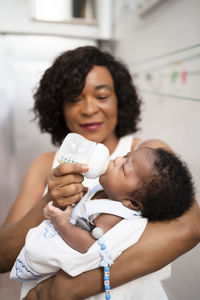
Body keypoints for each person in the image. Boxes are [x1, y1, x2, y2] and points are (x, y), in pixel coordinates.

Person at [0, 46, 200, 300]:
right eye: (74, 99)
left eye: (102, 96)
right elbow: (2, 257)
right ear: (58, 108)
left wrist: (69, 287)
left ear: (120, 99)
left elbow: (191, 227)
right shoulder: (46, 165)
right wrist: (48, 200)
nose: (89, 109)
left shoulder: (148, 153)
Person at [10, 145, 195, 299]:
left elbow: (88, 245)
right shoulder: (107, 191)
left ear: (131, 203)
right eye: (125, 156)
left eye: (124, 168)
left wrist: (62, 223)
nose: (116, 160)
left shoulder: (113, 215)